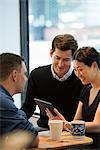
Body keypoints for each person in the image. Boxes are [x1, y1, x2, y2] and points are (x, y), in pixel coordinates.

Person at [21, 34, 83, 129]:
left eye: (66, 60)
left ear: (73, 59)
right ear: (51, 53)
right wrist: (14, 123)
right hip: (44, 129)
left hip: (72, 130)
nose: (60, 64)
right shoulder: (37, 75)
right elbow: (28, 108)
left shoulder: (81, 79)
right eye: (57, 58)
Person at [46, 46, 100, 149]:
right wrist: (64, 123)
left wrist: (68, 125)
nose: (78, 74)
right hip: (82, 143)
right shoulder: (86, 90)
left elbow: (98, 125)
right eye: (75, 70)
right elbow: (76, 121)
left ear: (94, 65)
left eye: (80, 69)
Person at [0, 53, 39, 148]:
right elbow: (34, 140)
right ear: (14, 75)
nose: (26, 79)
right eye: (24, 74)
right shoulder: (3, 102)